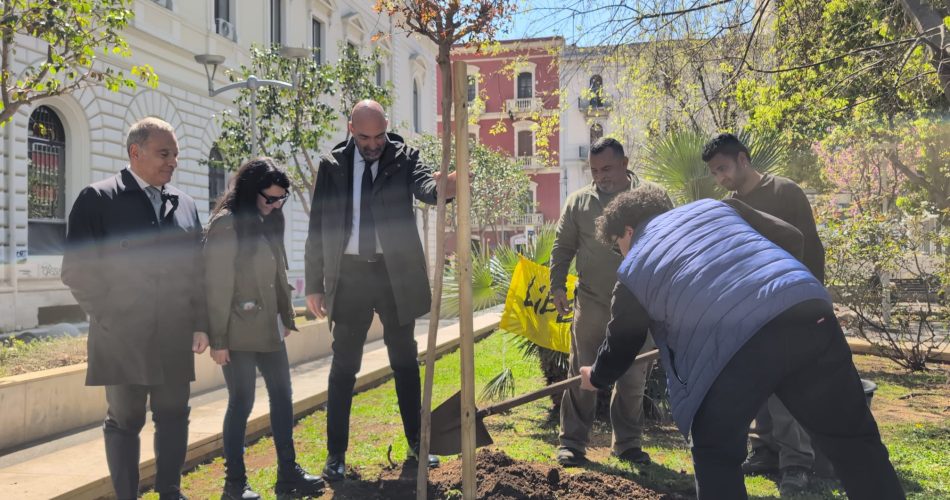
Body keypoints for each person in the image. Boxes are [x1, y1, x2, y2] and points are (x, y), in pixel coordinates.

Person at [579, 187, 905, 500]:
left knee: (716, 454)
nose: (619, 253)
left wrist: (596, 377)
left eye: (616, 245)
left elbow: (624, 339)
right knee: (853, 441)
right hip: (808, 314)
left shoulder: (636, 267)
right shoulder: (719, 208)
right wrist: (775, 295)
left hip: (732, 350)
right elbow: (793, 237)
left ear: (628, 230)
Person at [305, 100, 457, 481]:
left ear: (387, 126)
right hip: (351, 276)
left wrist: (444, 185)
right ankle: (335, 455)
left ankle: (416, 444)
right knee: (344, 368)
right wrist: (314, 285)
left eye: (378, 136)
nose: (373, 145)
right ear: (350, 129)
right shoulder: (332, 165)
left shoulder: (405, 157)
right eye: (364, 138)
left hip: (393, 276)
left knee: (405, 362)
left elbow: (426, 188)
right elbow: (318, 226)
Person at [62, 117, 208, 500]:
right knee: (126, 422)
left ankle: (170, 493)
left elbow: (198, 273)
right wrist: (111, 320)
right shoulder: (97, 199)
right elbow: (76, 271)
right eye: (164, 154)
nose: (172, 162)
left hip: (174, 338)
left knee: (174, 417)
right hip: (121, 340)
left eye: (175, 155)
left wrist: (200, 324)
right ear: (135, 152)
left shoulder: (187, 206)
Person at [704, 132, 826, 493]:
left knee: (786, 389)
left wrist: (813, 301)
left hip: (790, 305)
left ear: (743, 159)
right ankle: (764, 450)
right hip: (748, 310)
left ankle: (797, 463)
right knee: (757, 385)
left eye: (723, 168)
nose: (720, 178)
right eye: (714, 173)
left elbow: (812, 248)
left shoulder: (785, 192)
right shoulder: (729, 205)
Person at [204, 158, 325, 499]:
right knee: (241, 402)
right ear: (248, 191)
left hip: (268, 330)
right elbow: (216, 285)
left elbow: (277, 275)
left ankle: (288, 474)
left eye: (280, 199)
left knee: (283, 398)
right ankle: (234, 485)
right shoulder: (227, 225)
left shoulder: (268, 220)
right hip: (237, 332)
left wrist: (286, 318)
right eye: (268, 198)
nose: (275, 205)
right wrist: (218, 339)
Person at [550, 137, 670, 467]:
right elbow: (562, 248)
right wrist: (557, 285)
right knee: (582, 375)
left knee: (632, 379)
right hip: (592, 304)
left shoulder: (651, 198)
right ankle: (572, 442)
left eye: (607, 168)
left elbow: (671, 243)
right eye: (594, 170)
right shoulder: (579, 202)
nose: (600, 176)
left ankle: (628, 444)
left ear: (625, 163)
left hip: (638, 305)